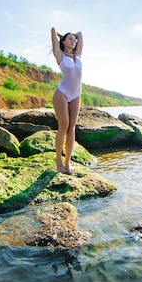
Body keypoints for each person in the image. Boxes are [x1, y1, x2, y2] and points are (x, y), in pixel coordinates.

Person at [51, 27, 83, 174]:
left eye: (74, 40)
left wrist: (73, 37)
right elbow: (53, 30)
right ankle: (58, 159)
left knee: (72, 128)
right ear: (63, 41)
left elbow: (80, 34)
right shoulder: (59, 55)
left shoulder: (78, 55)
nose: (74, 41)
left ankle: (68, 162)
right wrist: (61, 35)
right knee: (63, 125)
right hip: (62, 93)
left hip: (76, 94)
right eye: (70, 39)